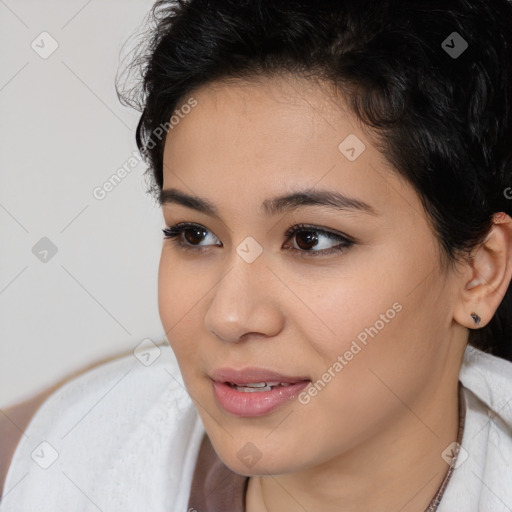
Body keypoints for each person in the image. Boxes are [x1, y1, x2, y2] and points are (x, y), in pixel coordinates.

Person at [1, 0, 512, 510]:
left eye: (311, 238)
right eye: (195, 235)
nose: (229, 317)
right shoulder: (46, 463)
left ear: (479, 274)